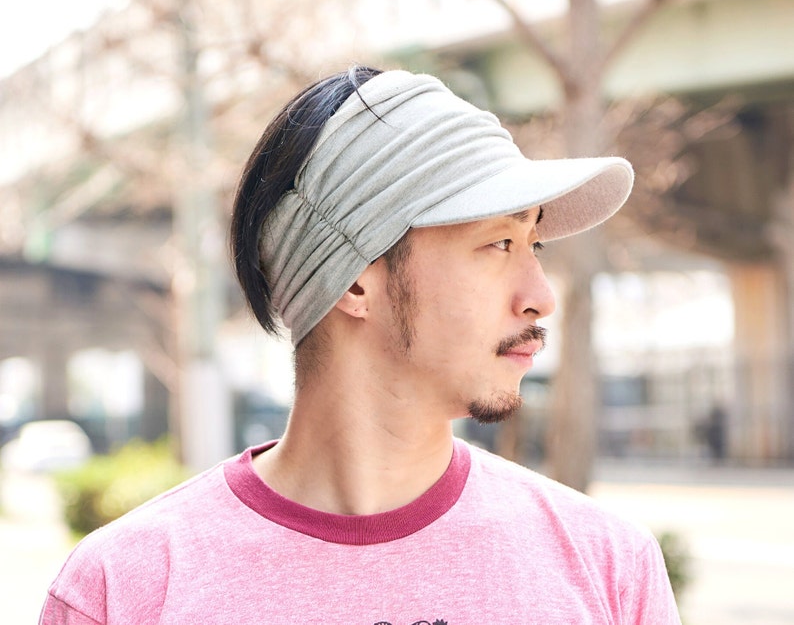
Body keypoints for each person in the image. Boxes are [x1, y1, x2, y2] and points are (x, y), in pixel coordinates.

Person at [40, 66, 681, 624]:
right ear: (354, 279)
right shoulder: (126, 588)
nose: (540, 295)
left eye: (533, 245)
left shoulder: (608, 566)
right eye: (498, 244)